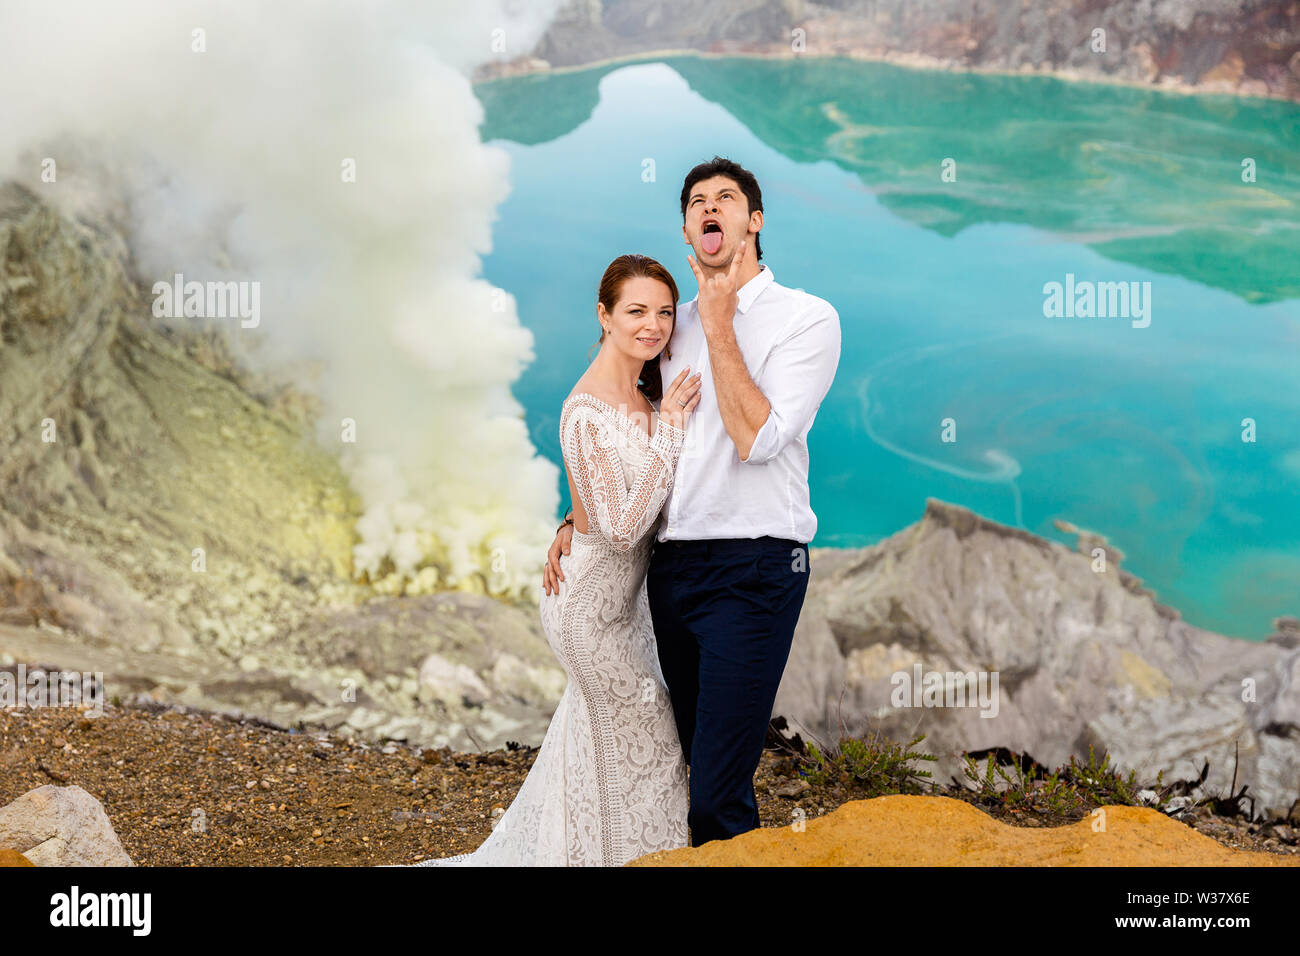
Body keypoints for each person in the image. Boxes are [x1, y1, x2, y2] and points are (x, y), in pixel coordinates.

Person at [544, 156, 841, 847]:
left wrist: (717, 320)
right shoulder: (666, 327)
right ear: (687, 226)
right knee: (684, 772)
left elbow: (757, 438)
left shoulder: (806, 319)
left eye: (727, 198)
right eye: (698, 201)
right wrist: (577, 513)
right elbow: (621, 418)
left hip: (756, 569)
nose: (712, 207)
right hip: (671, 573)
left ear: (753, 221)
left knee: (715, 794)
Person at [413, 254, 702, 866]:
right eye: (636, 312)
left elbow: (601, 500)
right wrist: (673, 428)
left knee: (610, 738)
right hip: (589, 612)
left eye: (665, 312)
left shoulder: (645, 391)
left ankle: (586, 851)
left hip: (630, 609)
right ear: (604, 315)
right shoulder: (585, 408)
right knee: (643, 735)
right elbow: (624, 531)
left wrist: (572, 517)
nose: (653, 325)